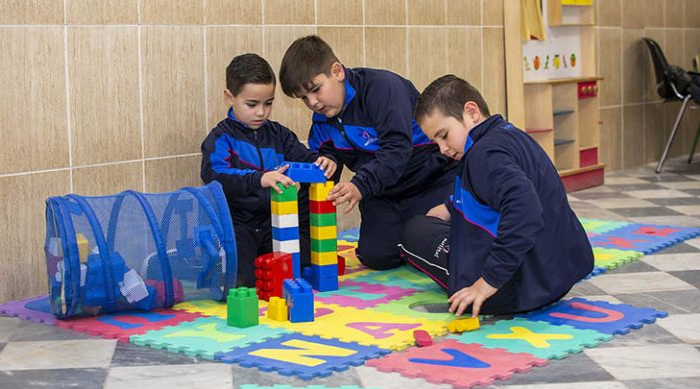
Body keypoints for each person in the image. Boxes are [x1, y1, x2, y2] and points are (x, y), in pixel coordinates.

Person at [404, 74, 594, 317]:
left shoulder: (482, 155)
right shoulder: (509, 134)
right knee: (436, 221)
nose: (443, 149)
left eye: (443, 135)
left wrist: (487, 283)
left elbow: (525, 211)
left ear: (471, 112)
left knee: (413, 231)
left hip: (512, 289)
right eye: (435, 142)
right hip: (557, 275)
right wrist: (451, 207)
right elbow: (498, 190)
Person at [278, 35, 457, 271]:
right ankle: (413, 238)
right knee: (376, 256)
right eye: (304, 98)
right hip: (386, 193)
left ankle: (430, 232)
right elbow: (321, 170)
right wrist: (329, 162)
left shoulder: (382, 89)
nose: (313, 102)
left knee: (429, 236)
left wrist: (359, 185)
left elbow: (396, 150)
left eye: (316, 90)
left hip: (431, 180)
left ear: (337, 71)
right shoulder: (322, 121)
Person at [201, 53, 337, 287]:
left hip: (275, 221)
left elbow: (304, 157)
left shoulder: (279, 135)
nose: (261, 112)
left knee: (302, 263)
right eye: (252, 104)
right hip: (239, 223)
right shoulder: (221, 138)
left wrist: (324, 161)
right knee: (240, 280)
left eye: (268, 103)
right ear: (229, 97)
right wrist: (259, 179)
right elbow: (215, 177)